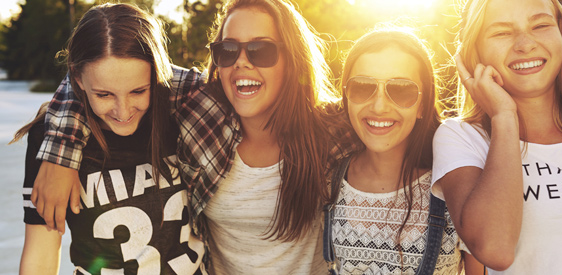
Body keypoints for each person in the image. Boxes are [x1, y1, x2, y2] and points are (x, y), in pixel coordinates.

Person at [31, 0, 351, 273]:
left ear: (293, 58)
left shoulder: (331, 129)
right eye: (228, 50)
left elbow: (381, 114)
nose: (241, 61)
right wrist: (61, 151)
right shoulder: (201, 114)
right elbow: (98, 77)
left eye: (261, 50)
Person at [16, 3, 206, 274]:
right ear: (78, 79)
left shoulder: (181, 116)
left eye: (138, 91)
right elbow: (41, 255)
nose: (124, 111)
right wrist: (60, 154)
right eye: (104, 95)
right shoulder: (51, 139)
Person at [431, 0, 562, 273]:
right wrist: (504, 117)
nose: (525, 44)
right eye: (501, 32)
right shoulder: (461, 137)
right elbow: (495, 250)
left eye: (541, 25)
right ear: (475, 50)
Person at [325, 27, 483, 274]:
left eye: (400, 90)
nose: (379, 106)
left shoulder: (454, 185)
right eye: (362, 87)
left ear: (422, 105)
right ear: (346, 97)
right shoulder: (330, 180)